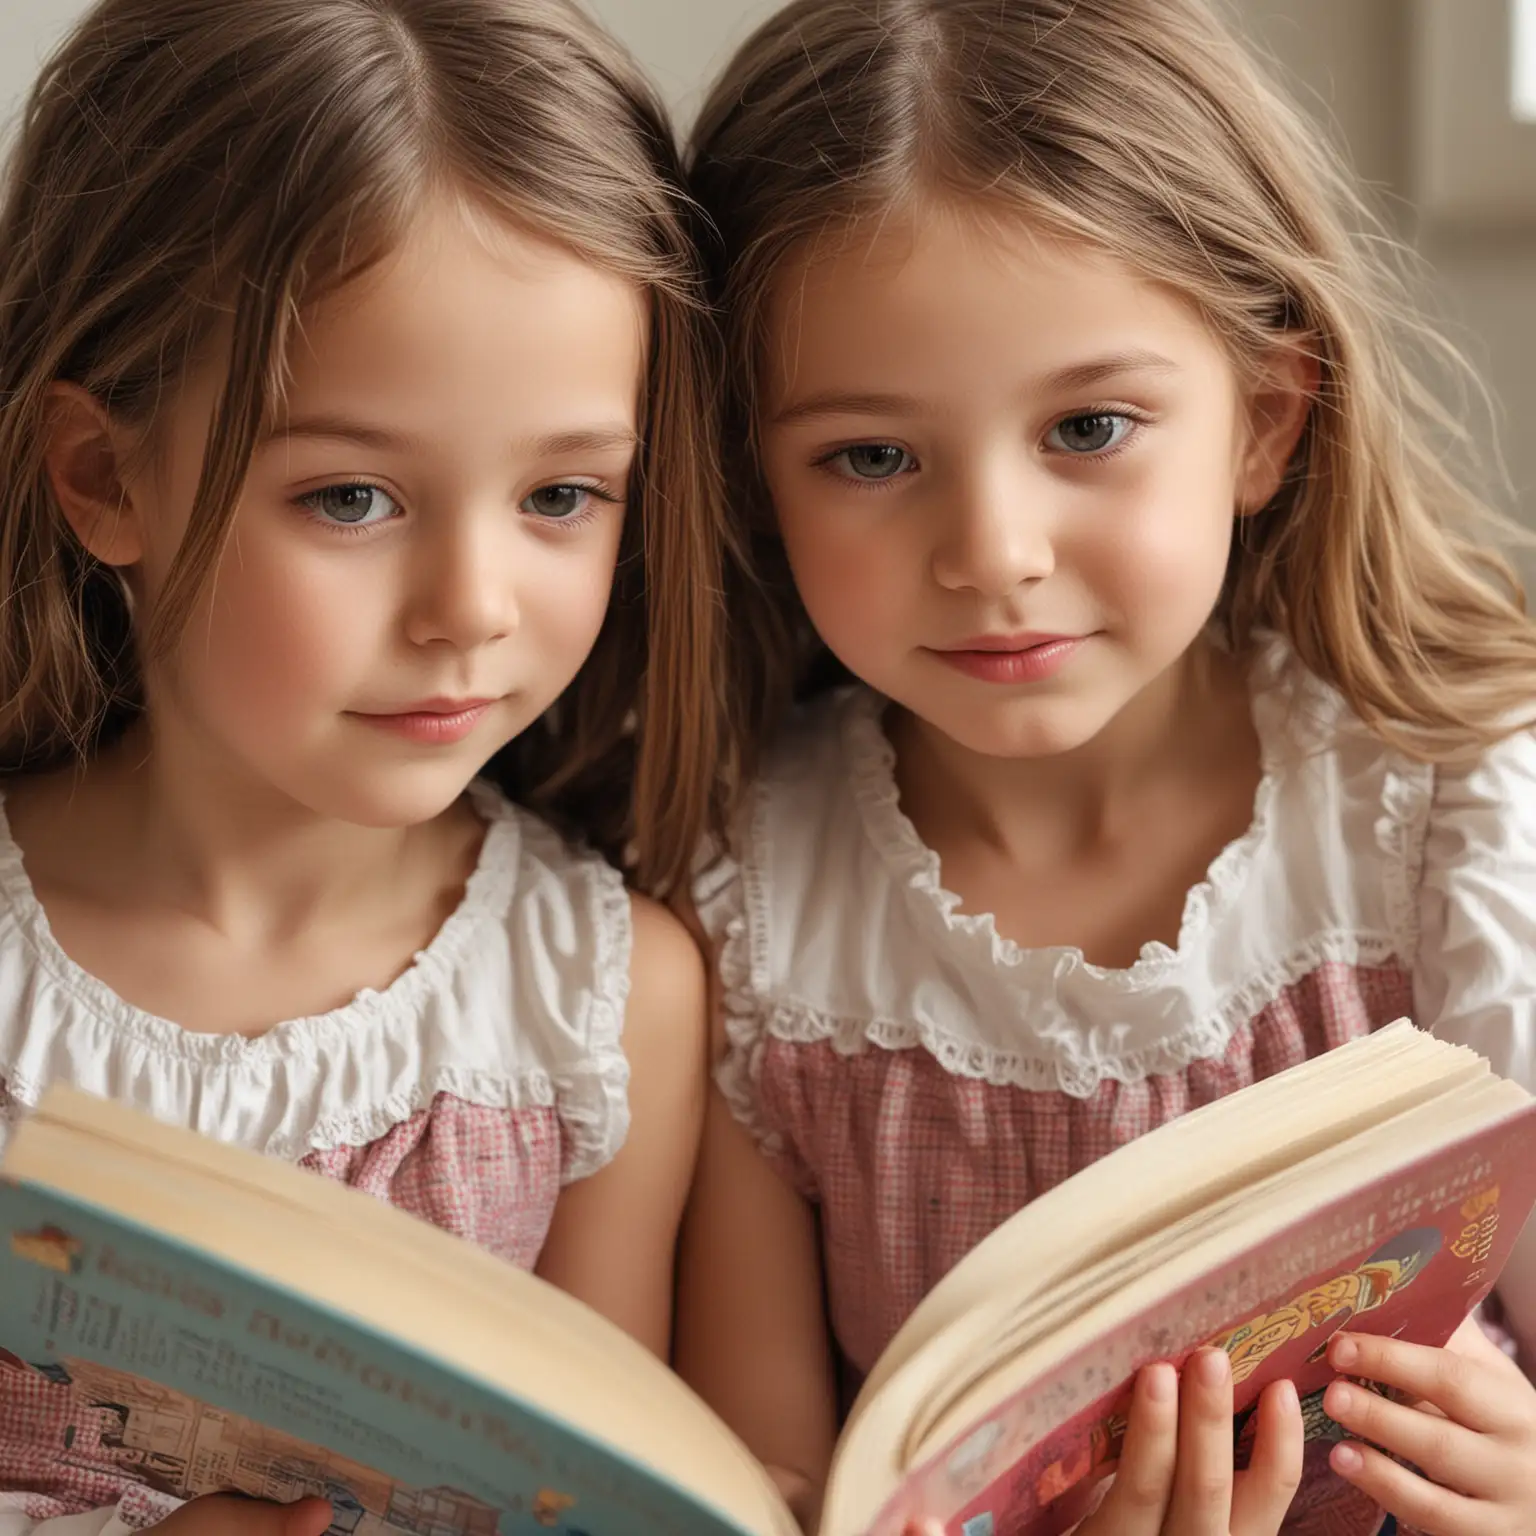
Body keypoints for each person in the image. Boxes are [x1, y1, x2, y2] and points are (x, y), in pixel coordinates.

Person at [677, 1, 1536, 1531]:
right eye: (871, 457)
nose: (993, 556)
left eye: (1088, 427)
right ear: (753, 472)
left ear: (1265, 424)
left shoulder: (1451, 826)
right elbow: (773, 1484)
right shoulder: (750, 904)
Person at [0, 1, 730, 1531]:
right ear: (104, 476)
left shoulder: (599, 1006)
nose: (471, 607)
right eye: (349, 498)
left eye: (561, 495)